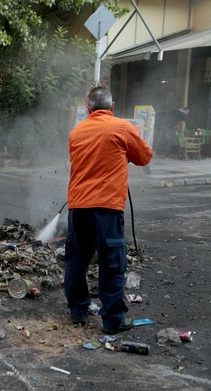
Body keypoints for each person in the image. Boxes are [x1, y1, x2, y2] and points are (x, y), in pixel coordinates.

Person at [64, 85, 153, 335]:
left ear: (88, 107)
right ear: (112, 107)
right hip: (107, 208)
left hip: (78, 207)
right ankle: (113, 320)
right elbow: (145, 156)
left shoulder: (76, 132)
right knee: (111, 262)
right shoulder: (122, 127)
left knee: (76, 260)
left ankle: (78, 311)